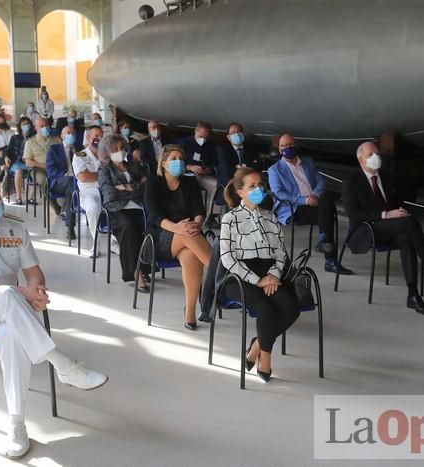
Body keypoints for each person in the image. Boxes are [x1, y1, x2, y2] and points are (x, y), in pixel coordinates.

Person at [0, 171, 108, 458]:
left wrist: (36, 291)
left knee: (12, 335)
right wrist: (22, 293)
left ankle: (17, 425)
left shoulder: (13, 227)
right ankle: (63, 365)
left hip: (7, 313)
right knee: (6, 293)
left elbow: (32, 271)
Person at [342, 142, 424, 314]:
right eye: (370, 154)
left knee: (407, 236)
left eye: (377, 153)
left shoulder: (387, 178)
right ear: (360, 160)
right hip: (366, 229)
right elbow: (353, 214)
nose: (376, 157)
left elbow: (396, 204)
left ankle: (413, 294)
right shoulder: (351, 182)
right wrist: (385, 215)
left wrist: (399, 211)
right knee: (409, 223)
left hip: (391, 228)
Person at [220, 167, 299, 382]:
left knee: (291, 307)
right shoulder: (230, 219)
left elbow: (281, 252)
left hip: (270, 273)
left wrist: (273, 275)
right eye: (252, 186)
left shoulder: (270, 217)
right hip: (239, 277)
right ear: (240, 192)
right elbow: (228, 259)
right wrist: (258, 280)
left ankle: (257, 345)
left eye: (261, 186)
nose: (258, 190)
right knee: (265, 307)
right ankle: (266, 357)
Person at [145, 144, 211, 329]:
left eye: (181, 159)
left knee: (191, 256)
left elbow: (199, 210)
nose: (179, 162)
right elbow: (154, 215)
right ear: (164, 163)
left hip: (190, 233)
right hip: (160, 237)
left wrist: (196, 224)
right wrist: (178, 228)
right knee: (187, 235)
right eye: (174, 159)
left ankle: (190, 311)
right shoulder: (154, 183)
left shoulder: (189, 183)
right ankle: (220, 274)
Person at [268, 133, 350, 274]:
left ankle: (324, 241)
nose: (288, 147)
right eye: (284, 145)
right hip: (294, 208)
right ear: (280, 149)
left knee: (326, 201)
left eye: (291, 144)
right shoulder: (275, 170)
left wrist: (315, 196)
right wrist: (305, 200)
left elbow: (321, 181)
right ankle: (329, 259)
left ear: (296, 145)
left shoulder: (308, 162)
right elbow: (279, 193)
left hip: (316, 202)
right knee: (327, 214)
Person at [98, 134, 149, 290]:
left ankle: (145, 266)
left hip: (138, 206)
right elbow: (109, 194)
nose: (119, 152)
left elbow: (146, 187)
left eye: (121, 148)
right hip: (116, 209)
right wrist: (133, 187)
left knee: (148, 226)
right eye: (115, 149)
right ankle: (135, 271)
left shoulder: (134, 166)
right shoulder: (104, 169)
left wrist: (125, 187)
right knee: (129, 228)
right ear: (107, 152)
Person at [72, 126, 104, 258]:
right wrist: (103, 175)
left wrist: (94, 174)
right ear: (88, 138)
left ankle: (115, 241)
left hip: (107, 190)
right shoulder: (80, 155)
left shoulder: (107, 154)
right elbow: (83, 177)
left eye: (101, 136)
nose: (98, 139)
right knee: (93, 208)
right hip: (88, 192)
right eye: (95, 136)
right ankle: (96, 243)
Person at [46, 126, 78, 239]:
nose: (71, 135)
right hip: (57, 182)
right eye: (68, 133)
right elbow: (50, 170)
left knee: (71, 189)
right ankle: (70, 217)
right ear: (62, 136)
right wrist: (65, 174)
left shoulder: (79, 150)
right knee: (71, 182)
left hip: (76, 183)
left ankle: (70, 227)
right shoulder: (53, 149)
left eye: (73, 133)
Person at [178, 122, 218, 213]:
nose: (203, 139)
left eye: (205, 137)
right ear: (196, 131)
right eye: (201, 136)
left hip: (202, 175)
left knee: (215, 185)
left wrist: (208, 170)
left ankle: (209, 215)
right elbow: (175, 162)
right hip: (185, 174)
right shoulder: (184, 143)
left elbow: (214, 163)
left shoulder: (210, 145)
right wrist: (189, 167)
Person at [23, 117, 61, 203]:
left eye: (46, 125)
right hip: (38, 169)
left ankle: (67, 206)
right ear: (36, 128)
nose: (45, 128)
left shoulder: (57, 140)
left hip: (56, 168)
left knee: (68, 181)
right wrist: (44, 166)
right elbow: (28, 162)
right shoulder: (30, 142)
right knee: (45, 181)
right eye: (41, 126)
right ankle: (55, 205)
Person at [217, 122, 263, 188]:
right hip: (229, 185)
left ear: (243, 134)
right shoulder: (223, 150)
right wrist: (248, 167)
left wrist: (241, 167)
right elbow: (226, 171)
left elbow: (259, 166)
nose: (237, 134)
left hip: (250, 184)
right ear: (228, 137)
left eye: (239, 132)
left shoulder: (251, 148)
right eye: (233, 133)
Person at [4, 117, 34, 205]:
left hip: (30, 162)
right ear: (20, 126)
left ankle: (31, 198)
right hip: (16, 163)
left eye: (28, 124)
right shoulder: (15, 138)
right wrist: (6, 157)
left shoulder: (34, 137)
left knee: (35, 170)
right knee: (19, 170)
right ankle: (19, 197)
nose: (26, 126)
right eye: (24, 124)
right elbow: (8, 150)